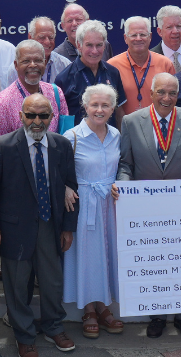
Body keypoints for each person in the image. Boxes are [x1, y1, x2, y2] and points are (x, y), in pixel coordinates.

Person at [117, 72, 181, 339]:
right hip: (145, 210)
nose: (167, 98)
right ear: (151, 93)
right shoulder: (130, 121)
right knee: (155, 261)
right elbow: (126, 164)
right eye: (161, 92)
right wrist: (123, 188)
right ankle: (157, 315)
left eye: (172, 93)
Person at [0, 95, 78, 357]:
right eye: (31, 115)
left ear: (52, 117)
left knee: (52, 282)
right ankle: (24, 335)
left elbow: (72, 187)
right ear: (21, 116)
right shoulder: (4, 146)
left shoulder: (61, 145)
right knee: (17, 285)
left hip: (51, 225)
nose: (37, 121)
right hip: (15, 229)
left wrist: (68, 227)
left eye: (43, 116)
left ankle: (53, 326)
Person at [62, 84, 123, 339]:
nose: (100, 110)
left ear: (112, 108)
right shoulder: (72, 136)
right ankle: (88, 308)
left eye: (105, 105)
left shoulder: (116, 135)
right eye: (94, 105)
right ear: (85, 106)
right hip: (84, 203)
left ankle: (104, 305)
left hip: (111, 203)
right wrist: (66, 187)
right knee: (87, 257)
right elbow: (59, 172)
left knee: (108, 253)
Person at [0, 40, 69, 150]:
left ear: (44, 63)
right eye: (26, 61)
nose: (33, 65)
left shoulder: (55, 93)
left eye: (38, 60)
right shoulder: (2, 103)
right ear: (16, 65)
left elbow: (65, 135)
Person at [54, 20, 128, 126]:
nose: (94, 51)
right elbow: (59, 119)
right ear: (79, 45)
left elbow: (119, 113)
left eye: (99, 45)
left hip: (109, 140)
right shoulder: (64, 78)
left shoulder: (113, 72)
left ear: (104, 46)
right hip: (79, 141)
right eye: (89, 45)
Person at [108, 16, 175, 115]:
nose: (138, 39)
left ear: (150, 37)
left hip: (159, 127)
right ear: (125, 38)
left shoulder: (165, 64)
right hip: (125, 127)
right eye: (133, 35)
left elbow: (174, 99)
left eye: (143, 34)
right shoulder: (112, 66)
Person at [15, 16, 73, 85]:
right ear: (30, 37)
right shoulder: (16, 68)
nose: (47, 42)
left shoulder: (65, 65)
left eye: (51, 37)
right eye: (42, 37)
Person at [150, 5, 181, 72]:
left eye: (178, 26)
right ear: (160, 31)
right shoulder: (150, 58)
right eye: (169, 27)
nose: (175, 31)